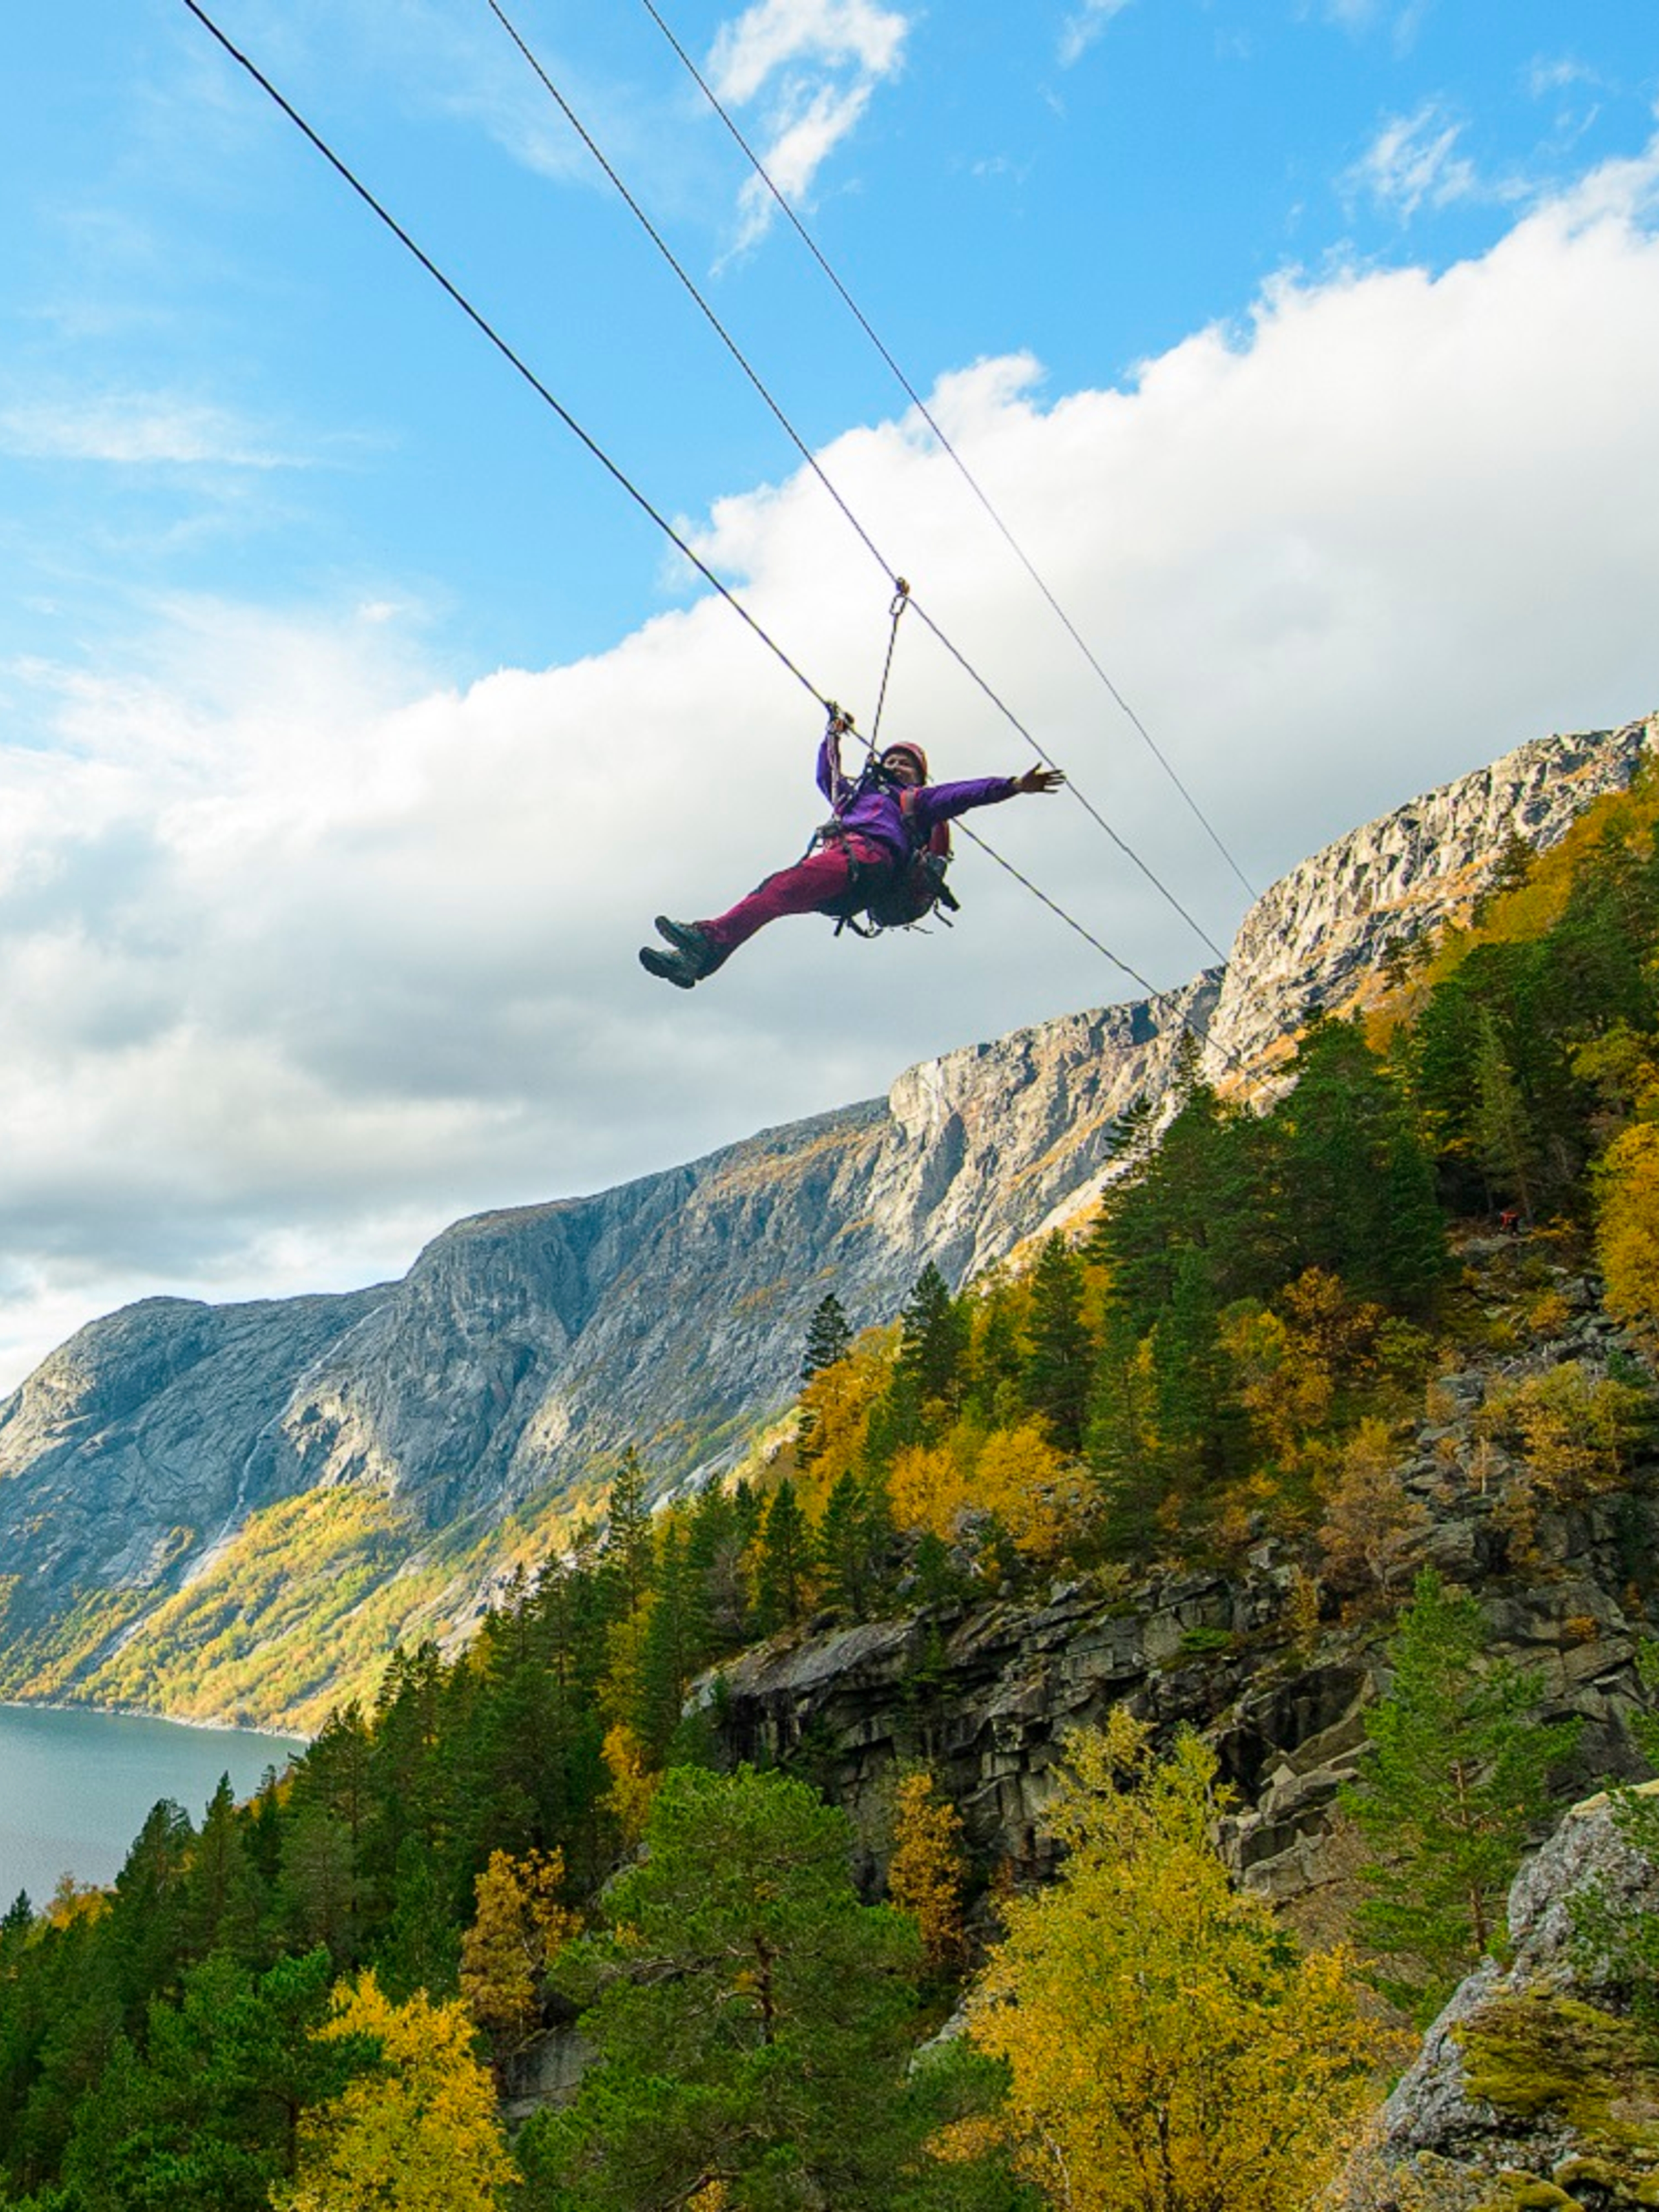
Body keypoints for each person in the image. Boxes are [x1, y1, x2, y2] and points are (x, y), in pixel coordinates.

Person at [639, 723, 1066, 988]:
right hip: (844, 873)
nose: (897, 766)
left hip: (867, 862)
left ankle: (705, 940)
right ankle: (696, 961)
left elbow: (963, 794)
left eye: (907, 764)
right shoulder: (854, 794)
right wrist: (832, 733)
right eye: (892, 760)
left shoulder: (916, 801)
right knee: (773, 897)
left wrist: (1012, 784)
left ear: (919, 776)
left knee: (778, 888)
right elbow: (826, 773)